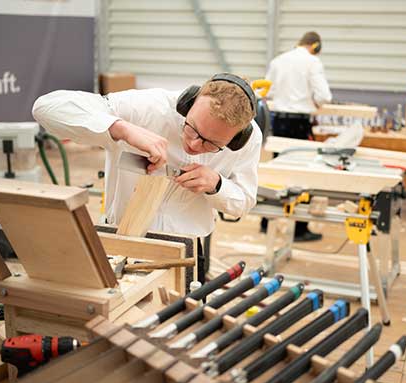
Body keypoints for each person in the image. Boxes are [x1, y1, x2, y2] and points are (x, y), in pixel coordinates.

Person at [32, 73, 262, 286]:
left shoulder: (249, 141)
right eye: (192, 129)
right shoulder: (149, 108)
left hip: (186, 252)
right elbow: (45, 107)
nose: (194, 145)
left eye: (211, 144)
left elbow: (243, 202)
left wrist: (217, 185)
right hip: (119, 242)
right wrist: (121, 128)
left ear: (236, 138)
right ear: (188, 103)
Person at [261, 31, 333, 242]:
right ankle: (300, 229)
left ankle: (267, 221)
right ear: (316, 46)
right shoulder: (313, 62)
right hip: (300, 122)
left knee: (277, 171)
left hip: (280, 120)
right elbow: (324, 96)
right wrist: (311, 101)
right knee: (303, 172)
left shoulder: (278, 61)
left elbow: (269, 92)